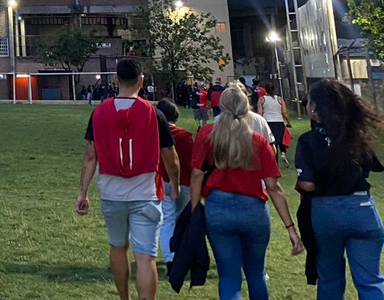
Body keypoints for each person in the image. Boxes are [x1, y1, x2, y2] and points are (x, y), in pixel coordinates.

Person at [78, 58, 180, 300]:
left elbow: (90, 157)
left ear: (115, 80)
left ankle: (124, 297)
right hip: (145, 193)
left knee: (117, 247)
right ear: (141, 81)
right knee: (145, 256)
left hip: (112, 193)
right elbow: (171, 157)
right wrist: (174, 183)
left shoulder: (99, 112)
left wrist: (82, 192)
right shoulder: (153, 114)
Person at [191, 85, 302, 299]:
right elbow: (273, 187)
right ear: (246, 107)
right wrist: (290, 227)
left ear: (220, 106)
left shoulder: (206, 134)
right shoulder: (258, 141)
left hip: (218, 209)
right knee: (256, 273)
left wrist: (194, 209)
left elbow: (196, 174)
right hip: (253, 209)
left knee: (228, 276)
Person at [295, 78, 384, 299]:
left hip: (326, 211)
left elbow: (307, 184)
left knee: (329, 278)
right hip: (362, 207)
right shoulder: (356, 134)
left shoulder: (308, 141)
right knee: (370, 282)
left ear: (315, 108)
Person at [156, 99, 194, 268]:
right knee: (181, 219)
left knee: (167, 219)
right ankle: (181, 251)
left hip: (161, 181)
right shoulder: (185, 136)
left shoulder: (152, 135)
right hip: (184, 182)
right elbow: (192, 163)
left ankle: (170, 255)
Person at [258, 82, 292, 167]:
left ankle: (274, 161)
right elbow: (284, 112)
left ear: (265, 90)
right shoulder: (280, 99)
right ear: (274, 89)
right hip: (279, 121)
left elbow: (259, 113)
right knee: (281, 139)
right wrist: (288, 122)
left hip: (268, 122)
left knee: (272, 142)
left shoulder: (262, 99)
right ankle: (283, 153)